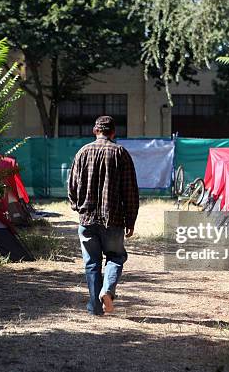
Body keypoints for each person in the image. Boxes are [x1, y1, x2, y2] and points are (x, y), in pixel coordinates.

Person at [68, 115, 139, 316]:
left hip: (87, 219)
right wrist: (130, 219)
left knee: (91, 263)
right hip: (114, 219)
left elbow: (71, 186)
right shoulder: (120, 153)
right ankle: (107, 290)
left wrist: (78, 207)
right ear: (113, 132)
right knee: (116, 257)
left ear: (94, 130)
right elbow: (130, 190)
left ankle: (95, 307)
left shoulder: (82, 152)